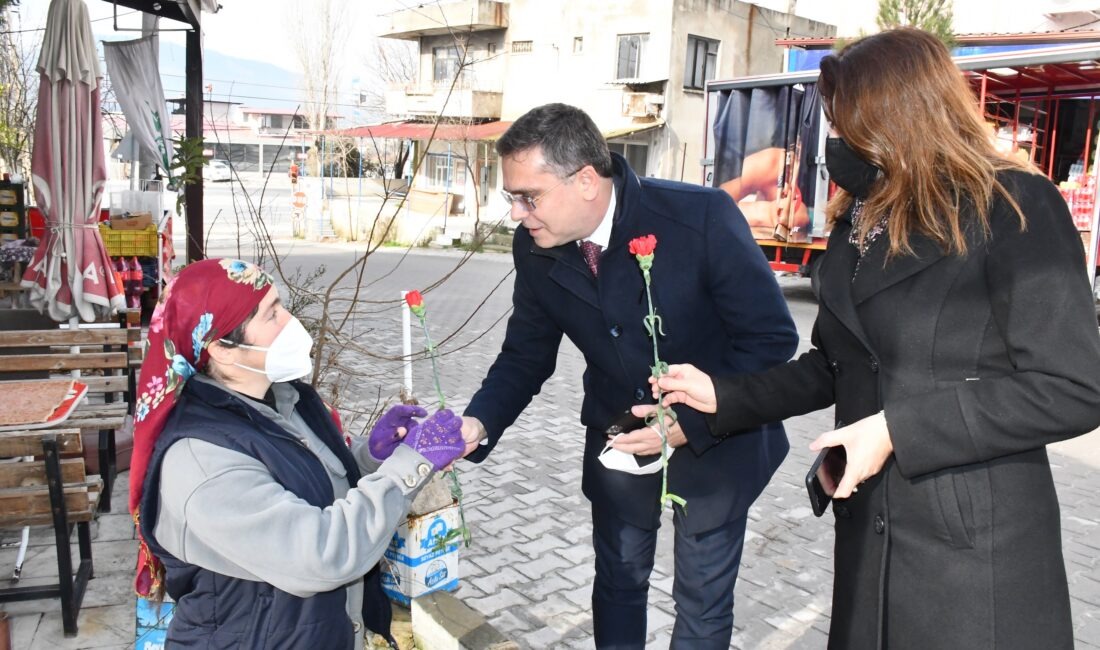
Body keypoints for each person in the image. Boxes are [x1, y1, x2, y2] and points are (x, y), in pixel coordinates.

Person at [652, 28, 1100, 650]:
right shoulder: (859, 217)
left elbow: (1073, 386)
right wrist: (723, 395)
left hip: (973, 550)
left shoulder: (1014, 206)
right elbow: (835, 365)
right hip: (869, 532)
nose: (832, 142)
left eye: (845, 124)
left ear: (901, 116)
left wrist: (897, 429)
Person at [458, 103, 799, 648]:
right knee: (618, 580)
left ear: (587, 181)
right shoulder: (535, 247)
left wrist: (692, 419)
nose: (518, 212)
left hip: (719, 437)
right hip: (621, 435)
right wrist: (477, 423)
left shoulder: (700, 218)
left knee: (703, 601)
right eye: (512, 197)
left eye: (530, 196)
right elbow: (526, 355)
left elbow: (771, 341)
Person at [129, 258, 465, 648]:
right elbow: (323, 553)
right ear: (220, 347)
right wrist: (410, 465)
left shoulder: (285, 399)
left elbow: (311, 488)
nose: (290, 320)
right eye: (271, 314)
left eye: (281, 305)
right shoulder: (200, 461)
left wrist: (371, 458)